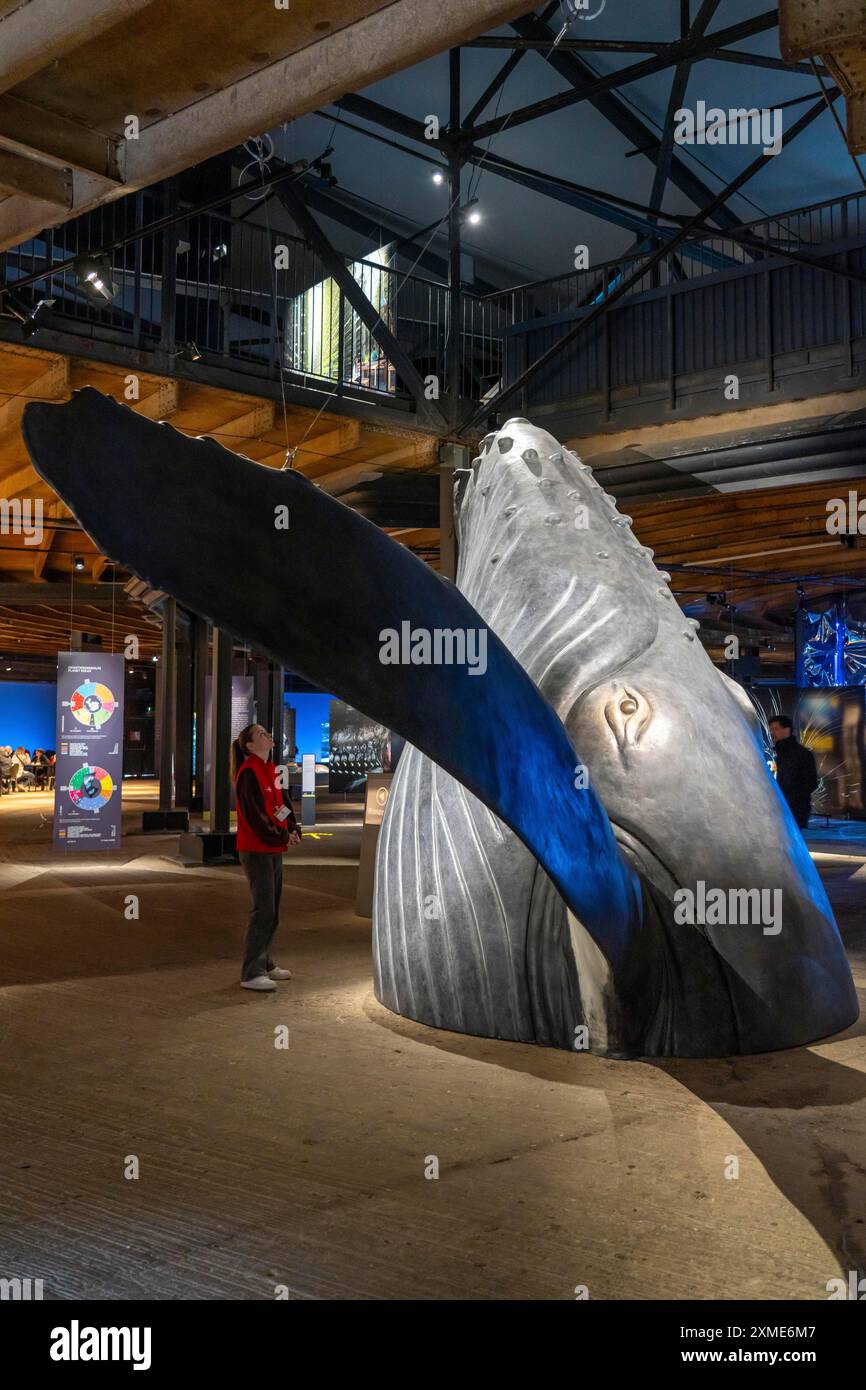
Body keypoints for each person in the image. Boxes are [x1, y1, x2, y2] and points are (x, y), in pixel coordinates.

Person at [231, 723, 301, 993]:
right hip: (257, 850)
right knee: (264, 909)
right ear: (249, 746)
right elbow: (255, 817)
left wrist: (292, 827)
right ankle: (251, 972)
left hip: (272, 849)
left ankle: (266, 962)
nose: (268, 736)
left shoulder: (271, 770)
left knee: (273, 908)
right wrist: (281, 836)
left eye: (267, 733)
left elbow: (279, 805)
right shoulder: (248, 772)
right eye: (261, 734)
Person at [769, 715, 818, 830]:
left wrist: (792, 798)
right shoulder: (780, 753)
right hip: (785, 806)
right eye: (771, 729)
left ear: (787, 730)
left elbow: (811, 782)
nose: (772, 733)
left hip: (795, 808)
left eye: (775, 729)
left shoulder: (801, 754)